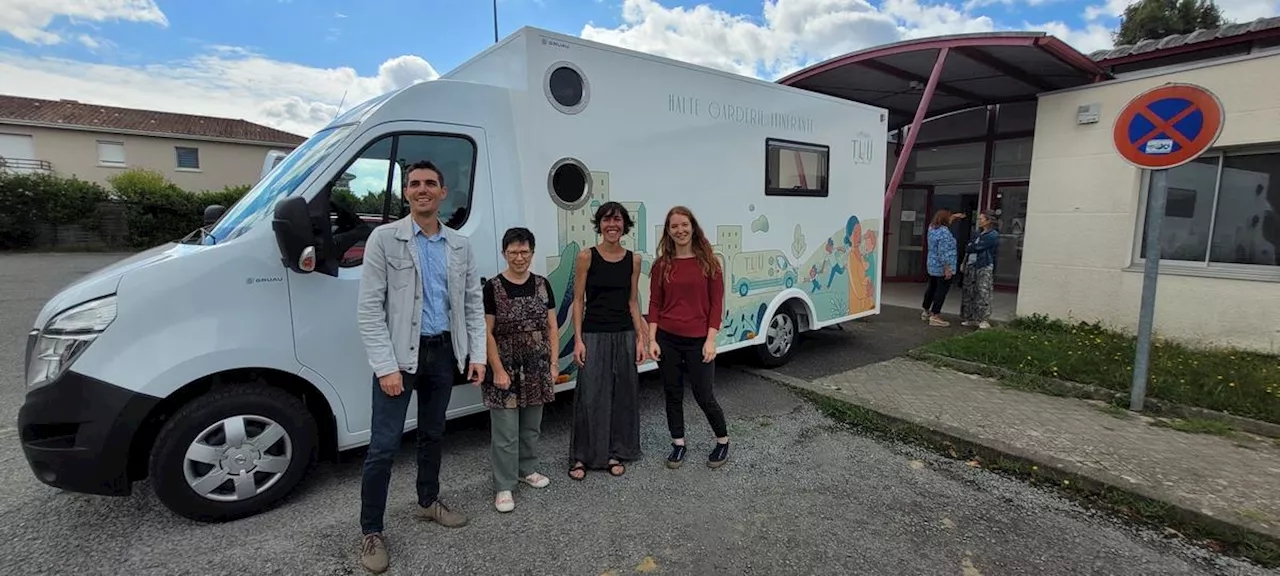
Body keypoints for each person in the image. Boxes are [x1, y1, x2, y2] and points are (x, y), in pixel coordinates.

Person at [355, 160, 487, 574]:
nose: (422, 189)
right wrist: (385, 367)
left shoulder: (459, 245)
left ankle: (428, 502)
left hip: (443, 354)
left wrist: (477, 355)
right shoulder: (384, 239)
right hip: (400, 360)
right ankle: (371, 530)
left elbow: (470, 303)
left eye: (431, 183)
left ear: (443, 193)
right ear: (407, 193)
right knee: (383, 446)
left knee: (433, 434)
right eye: (415, 184)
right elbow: (368, 310)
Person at [569, 201, 647, 480]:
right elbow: (578, 301)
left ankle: (616, 452)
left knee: (621, 394)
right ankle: (582, 457)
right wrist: (578, 340)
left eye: (617, 220)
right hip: (593, 333)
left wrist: (640, 338)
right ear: (599, 225)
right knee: (590, 395)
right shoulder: (586, 256)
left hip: (624, 333)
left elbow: (633, 301)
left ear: (625, 225)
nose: (612, 225)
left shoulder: (633, 259)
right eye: (606, 220)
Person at [646, 206, 729, 469]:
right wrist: (652, 339)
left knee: (704, 395)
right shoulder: (662, 265)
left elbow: (716, 305)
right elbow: (655, 304)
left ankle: (722, 440)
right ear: (668, 232)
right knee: (672, 394)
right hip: (668, 339)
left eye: (684, 225)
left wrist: (711, 339)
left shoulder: (709, 262)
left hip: (698, 340)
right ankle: (678, 444)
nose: (680, 230)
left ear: (692, 226)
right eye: (674, 226)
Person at [482, 227, 558, 512]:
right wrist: (498, 370)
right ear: (504, 253)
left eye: (524, 252)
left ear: (532, 253)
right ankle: (504, 485)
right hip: (505, 366)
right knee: (505, 432)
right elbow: (486, 332)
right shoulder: (492, 287)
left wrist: (552, 365)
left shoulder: (542, 284)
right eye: (513, 252)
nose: (519, 257)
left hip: (537, 365)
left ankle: (528, 470)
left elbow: (551, 326)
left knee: (531, 426)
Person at [961, 210, 1000, 330]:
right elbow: (968, 247)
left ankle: (983, 318)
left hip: (983, 265)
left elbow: (977, 247)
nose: (979, 221)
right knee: (969, 291)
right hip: (971, 264)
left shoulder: (993, 235)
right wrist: (964, 262)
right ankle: (970, 317)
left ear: (988, 221)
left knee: (982, 291)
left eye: (981, 219)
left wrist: (971, 247)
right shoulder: (977, 233)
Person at [921, 209, 956, 327]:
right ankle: (936, 315)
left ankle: (926, 310)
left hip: (932, 264)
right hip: (942, 266)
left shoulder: (931, 229)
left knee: (932, 287)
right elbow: (944, 251)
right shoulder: (944, 232)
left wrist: (953, 217)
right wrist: (947, 268)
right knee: (941, 290)